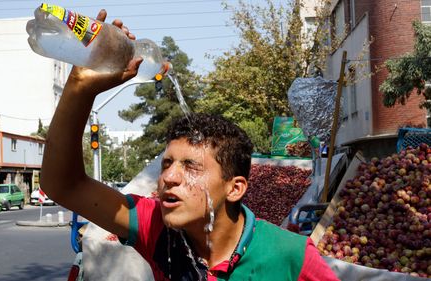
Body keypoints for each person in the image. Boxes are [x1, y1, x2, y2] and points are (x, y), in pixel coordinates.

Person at [40, 9, 339, 281]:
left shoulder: (291, 257)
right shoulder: (157, 227)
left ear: (235, 188)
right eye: (167, 163)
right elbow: (63, 186)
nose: (168, 177)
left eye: (191, 167)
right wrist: (79, 87)